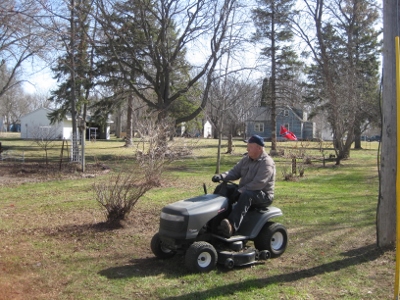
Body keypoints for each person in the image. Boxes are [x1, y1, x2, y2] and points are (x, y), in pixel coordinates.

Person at [212, 135, 276, 238]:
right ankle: (216, 220)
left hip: (263, 195)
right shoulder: (246, 159)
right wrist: (221, 176)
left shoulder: (267, 163)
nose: (247, 149)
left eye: (250, 147)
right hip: (245, 190)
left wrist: (241, 190)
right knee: (223, 188)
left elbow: (259, 183)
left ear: (259, 148)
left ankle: (231, 226)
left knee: (246, 194)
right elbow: (235, 172)